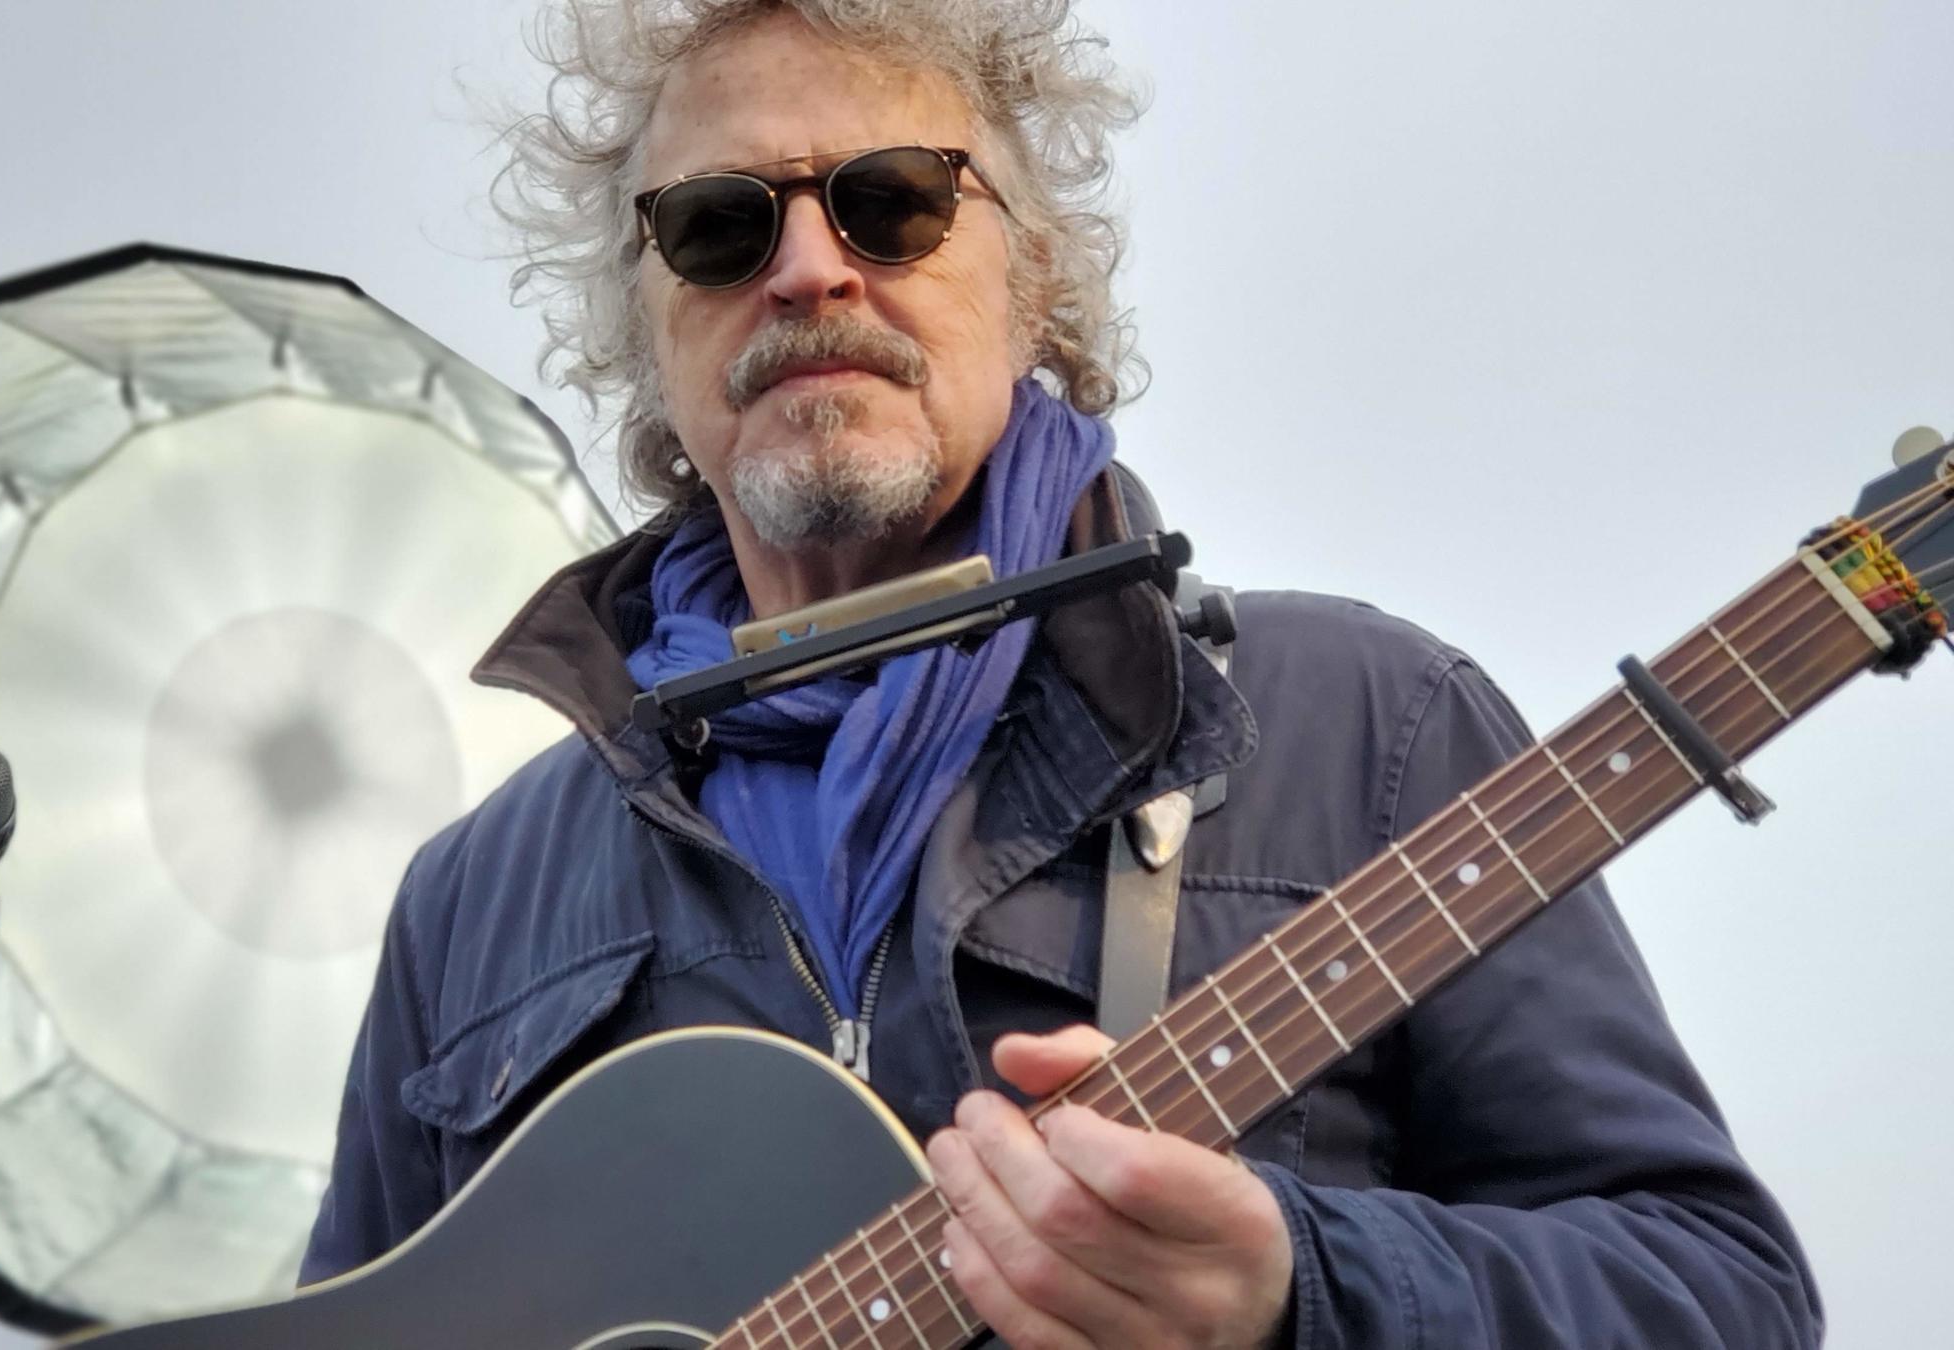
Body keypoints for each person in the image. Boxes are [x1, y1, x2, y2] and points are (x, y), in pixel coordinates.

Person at [301, 2, 1822, 1345]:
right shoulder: (477, 898)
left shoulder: (1367, 719)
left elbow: (1723, 1295)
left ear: (1036, 285)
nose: (809, 270)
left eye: (891, 204)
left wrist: (1305, 1287)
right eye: (717, 225)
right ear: (647, 328)